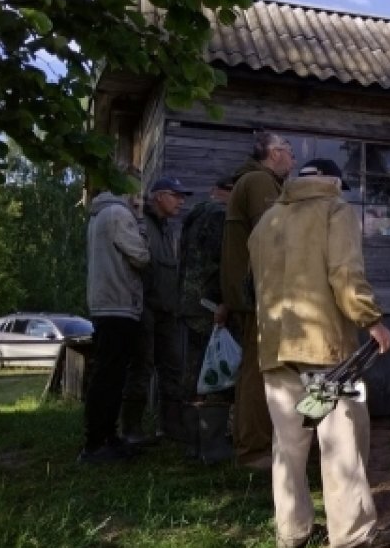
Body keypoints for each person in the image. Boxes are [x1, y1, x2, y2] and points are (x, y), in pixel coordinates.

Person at [248, 158, 390, 548]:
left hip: (274, 348)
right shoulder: (335, 209)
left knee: (288, 443)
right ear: (333, 180)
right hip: (325, 348)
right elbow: (345, 272)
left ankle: (292, 531)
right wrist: (371, 320)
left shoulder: (266, 222)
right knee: (342, 435)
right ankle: (352, 531)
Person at [222, 131, 295, 469]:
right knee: (258, 368)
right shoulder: (259, 182)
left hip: (253, 291)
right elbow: (275, 240)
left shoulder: (255, 181)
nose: (292, 158)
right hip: (258, 293)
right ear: (274, 154)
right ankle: (253, 449)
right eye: (288, 151)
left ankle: (255, 442)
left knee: (259, 366)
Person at [80, 171, 151, 464]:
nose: (139, 194)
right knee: (110, 376)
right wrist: (141, 225)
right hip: (119, 302)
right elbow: (141, 256)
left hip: (105, 302)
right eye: (137, 187)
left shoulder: (98, 214)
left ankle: (105, 437)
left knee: (107, 374)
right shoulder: (119, 214)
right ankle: (97, 444)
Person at [123, 175, 191, 445]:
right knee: (141, 369)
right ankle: (131, 430)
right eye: (176, 196)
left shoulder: (167, 228)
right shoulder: (142, 224)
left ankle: (170, 427)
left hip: (167, 311)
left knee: (172, 369)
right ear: (160, 196)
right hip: (146, 309)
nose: (181, 201)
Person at [177, 173, 236, 462]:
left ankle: (193, 445)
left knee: (193, 371)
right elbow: (223, 262)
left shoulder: (194, 215)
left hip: (189, 302)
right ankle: (212, 447)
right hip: (210, 306)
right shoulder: (221, 217)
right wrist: (225, 301)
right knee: (214, 372)